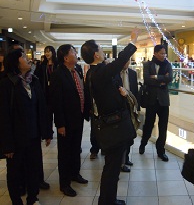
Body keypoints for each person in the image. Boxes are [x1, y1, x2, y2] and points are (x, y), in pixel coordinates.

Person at [83, 30, 139, 205]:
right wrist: (132, 42)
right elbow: (119, 62)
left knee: (112, 168)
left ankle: (108, 199)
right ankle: (106, 201)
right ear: (96, 54)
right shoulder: (99, 72)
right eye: (100, 49)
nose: (102, 51)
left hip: (110, 125)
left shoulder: (94, 73)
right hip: (113, 126)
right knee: (111, 168)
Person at [0, 48, 53, 205]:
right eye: (23, 56)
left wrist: (47, 132)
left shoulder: (33, 81)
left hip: (33, 135)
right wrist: (7, 145)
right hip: (15, 139)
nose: (27, 58)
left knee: (34, 169)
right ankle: (16, 201)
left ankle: (32, 198)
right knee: (15, 172)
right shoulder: (6, 84)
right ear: (16, 63)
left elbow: (42, 108)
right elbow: (3, 116)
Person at [50, 44, 91, 197]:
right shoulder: (58, 74)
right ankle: (64, 183)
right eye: (73, 51)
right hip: (66, 121)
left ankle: (75, 174)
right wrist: (60, 124)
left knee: (75, 149)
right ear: (66, 58)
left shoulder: (77, 70)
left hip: (78, 117)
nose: (76, 53)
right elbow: (56, 101)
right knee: (65, 153)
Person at [139, 45, 173, 162]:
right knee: (148, 124)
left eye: (165, 54)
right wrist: (161, 80)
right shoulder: (148, 65)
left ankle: (161, 151)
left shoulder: (168, 65)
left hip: (164, 101)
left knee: (163, 127)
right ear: (155, 53)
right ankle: (143, 143)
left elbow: (170, 79)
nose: (164, 56)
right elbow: (147, 79)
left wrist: (156, 77)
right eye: (162, 53)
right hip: (151, 100)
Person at [33, 46, 58, 190]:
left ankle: (51, 131)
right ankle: (48, 132)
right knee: (47, 116)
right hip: (45, 95)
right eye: (46, 51)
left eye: (49, 51)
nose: (48, 53)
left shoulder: (57, 65)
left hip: (55, 94)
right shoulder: (41, 66)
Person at [117, 59, 140, 172]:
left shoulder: (133, 73)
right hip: (120, 108)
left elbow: (135, 91)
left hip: (130, 107)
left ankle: (126, 158)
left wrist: (136, 107)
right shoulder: (115, 73)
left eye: (128, 61)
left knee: (130, 134)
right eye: (124, 61)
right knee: (122, 136)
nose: (126, 63)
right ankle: (120, 161)